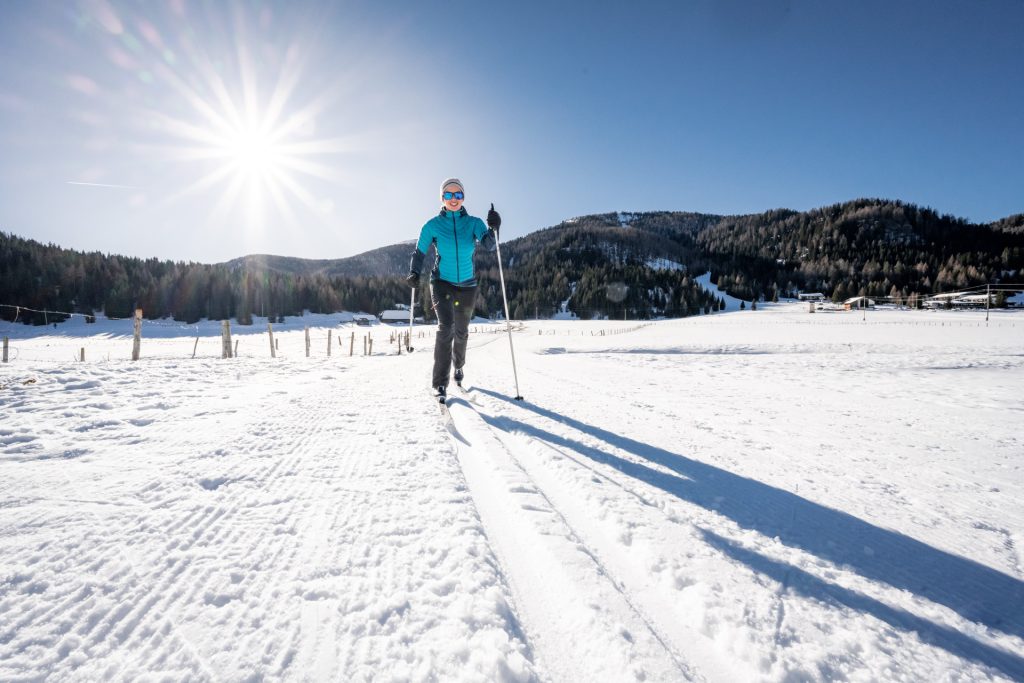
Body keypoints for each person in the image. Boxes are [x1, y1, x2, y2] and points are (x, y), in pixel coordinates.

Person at [407, 178, 500, 400]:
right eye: (448, 195)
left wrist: (495, 227)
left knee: (461, 331)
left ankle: (459, 366)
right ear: (442, 198)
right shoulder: (432, 226)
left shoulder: (474, 223)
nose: (453, 199)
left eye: (458, 195)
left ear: (463, 197)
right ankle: (440, 383)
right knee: (446, 327)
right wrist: (414, 272)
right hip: (441, 283)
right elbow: (419, 253)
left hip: (467, 286)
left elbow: (489, 245)